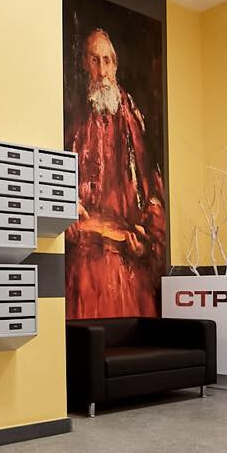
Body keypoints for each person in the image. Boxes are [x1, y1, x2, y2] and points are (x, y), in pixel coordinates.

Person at [65, 27, 167, 319]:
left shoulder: (133, 118)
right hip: (84, 261)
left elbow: (150, 186)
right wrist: (66, 207)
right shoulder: (73, 118)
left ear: (115, 65)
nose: (102, 71)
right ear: (85, 65)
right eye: (94, 60)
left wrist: (145, 241)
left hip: (125, 263)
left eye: (107, 61)